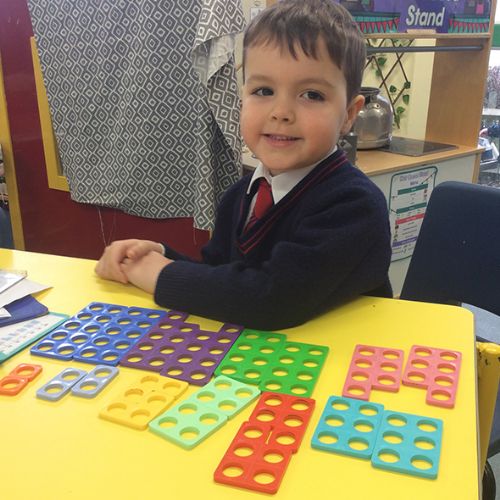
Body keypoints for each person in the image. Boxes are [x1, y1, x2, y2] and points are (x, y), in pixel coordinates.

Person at [95, 0, 392, 330]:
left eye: (312, 95)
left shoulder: (354, 206)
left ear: (349, 115)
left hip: (346, 356)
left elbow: (273, 299)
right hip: (262, 354)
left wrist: (160, 274)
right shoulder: (239, 195)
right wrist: (159, 256)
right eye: (263, 90)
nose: (281, 112)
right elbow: (223, 278)